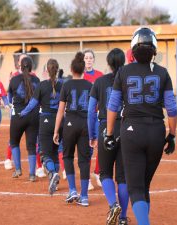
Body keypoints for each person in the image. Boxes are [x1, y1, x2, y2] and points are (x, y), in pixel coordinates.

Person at [105, 27, 177, 225]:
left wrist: (109, 134)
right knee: (144, 186)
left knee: (135, 188)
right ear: (154, 49)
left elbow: (113, 105)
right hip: (156, 131)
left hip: (131, 132)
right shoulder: (162, 73)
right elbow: (171, 108)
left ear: (133, 49)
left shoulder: (124, 72)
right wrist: (172, 135)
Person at [88, 48, 129, 225]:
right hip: (126, 128)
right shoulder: (129, 80)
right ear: (124, 62)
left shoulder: (99, 81)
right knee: (123, 176)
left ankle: (113, 205)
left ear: (108, 63)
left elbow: (91, 111)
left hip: (106, 126)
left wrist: (92, 135)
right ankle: (123, 218)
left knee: (105, 172)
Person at [53, 52, 92, 207]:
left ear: (71, 69)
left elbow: (60, 110)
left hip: (69, 124)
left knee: (67, 156)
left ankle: (72, 190)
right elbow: (92, 110)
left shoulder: (66, 85)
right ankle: (84, 196)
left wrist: (56, 130)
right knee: (84, 160)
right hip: (84, 125)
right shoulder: (90, 85)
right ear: (84, 69)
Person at [20, 58, 63, 194]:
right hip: (59, 121)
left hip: (45, 121)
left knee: (44, 153)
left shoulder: (42, 85)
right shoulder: (62, 85)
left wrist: (23, 112)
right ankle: (54, 181)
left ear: (46, 70)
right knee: (55, 152)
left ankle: (51, 172)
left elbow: (32, 103)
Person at [8, 56, 40, 181]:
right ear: (32, 67)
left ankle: (18, 169)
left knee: (14, 142)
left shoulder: (14, 80)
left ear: (20, 67)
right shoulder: (37, 80)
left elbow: (10, 97)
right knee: (31, 145)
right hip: (33, 115)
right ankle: (32, 174)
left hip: (18, 116)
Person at [83, 48, 103, 190]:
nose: (88, 60)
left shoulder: (99, 76)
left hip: (97, 115)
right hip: (84, 116)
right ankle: (87, 179)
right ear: (83, 60)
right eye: (86, 58)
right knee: (87, 148)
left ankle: (98, 173)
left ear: (94, 60)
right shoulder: (80, 76)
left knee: (101, 145)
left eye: (91, 58)